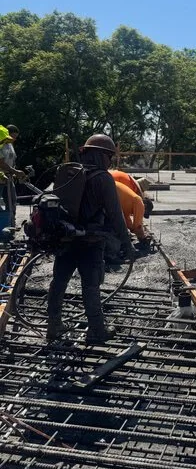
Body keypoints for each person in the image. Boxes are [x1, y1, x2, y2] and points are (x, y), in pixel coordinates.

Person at [47, 134, 136, 343]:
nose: (110, 161)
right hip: (91, 242)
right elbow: (116, 216)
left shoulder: (70, 173)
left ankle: (54, 326)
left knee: (58, 282)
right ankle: (96, 330)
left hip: (66, 239)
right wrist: (127, 243)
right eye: (109, 157)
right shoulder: (102, 178)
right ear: (102, 155)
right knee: (91, 286)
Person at [0, 125, 25, 221]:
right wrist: (15, 171)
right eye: (13, 137)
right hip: (1, 177)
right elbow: (1, 163)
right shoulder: (1, 144)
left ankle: (11, 221)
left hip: (9, 176)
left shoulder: (10, 145)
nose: (14, 139)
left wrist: (14, 172)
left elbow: (11, 160)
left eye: (15, 137)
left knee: (12, 200)